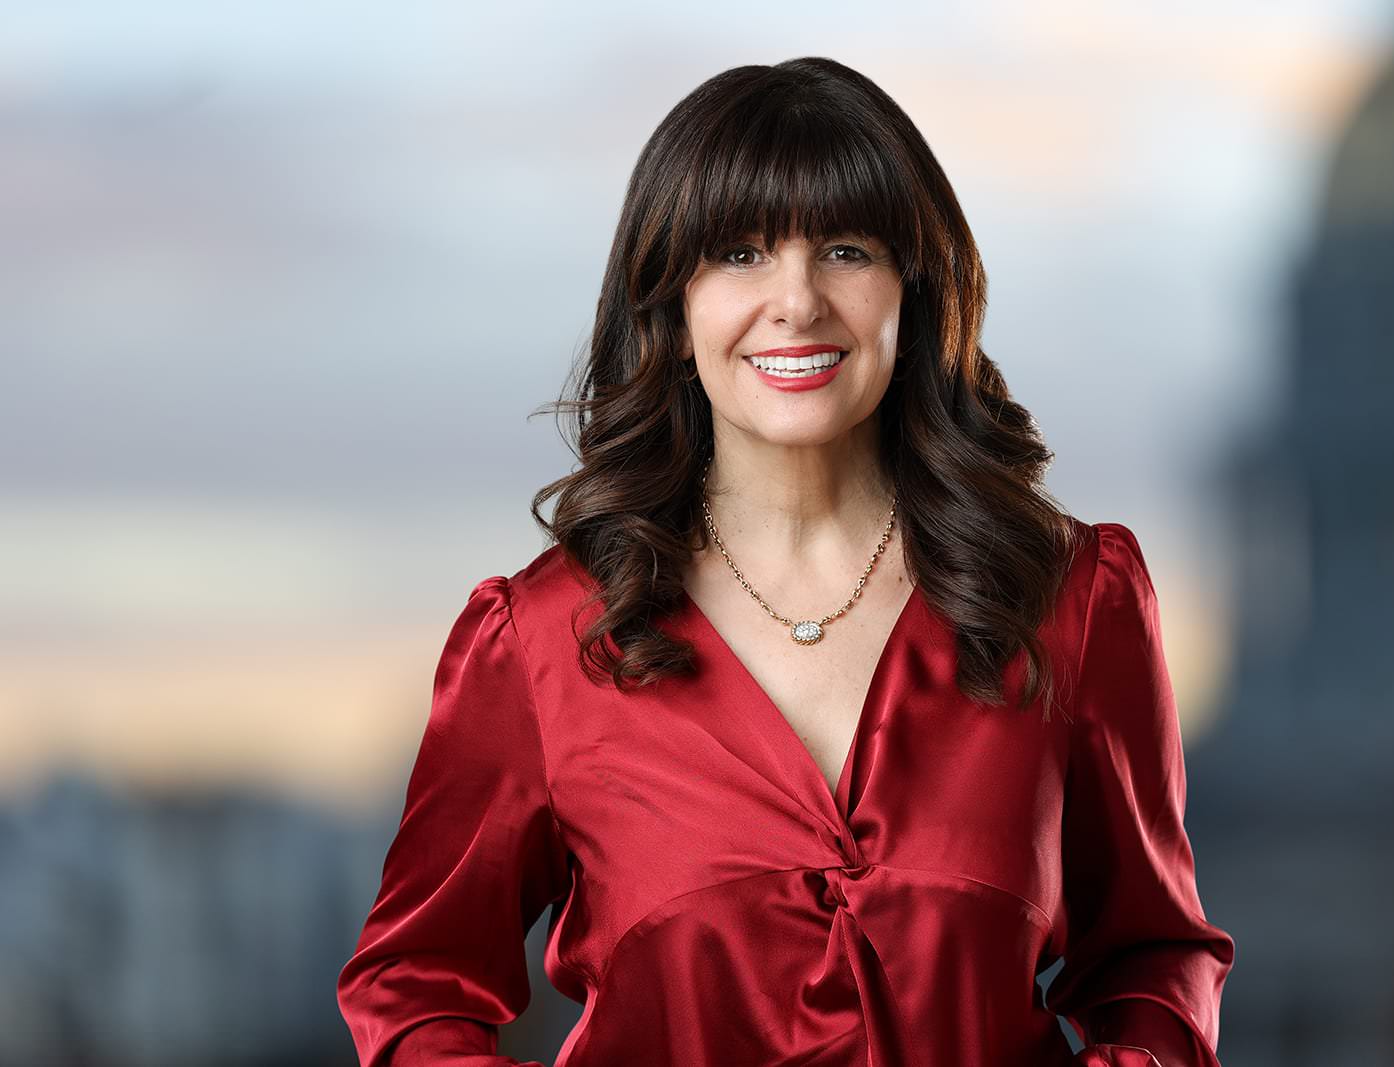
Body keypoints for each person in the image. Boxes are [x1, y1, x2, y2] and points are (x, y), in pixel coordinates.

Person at [335, 56, 1234, 1067]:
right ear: (670, 309)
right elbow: (413, 987)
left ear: (914, 288)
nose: (797, 301)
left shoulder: (1073, 601)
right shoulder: (541, 643)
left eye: (845, 249)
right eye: (740, 253)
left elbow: (1153, 958)